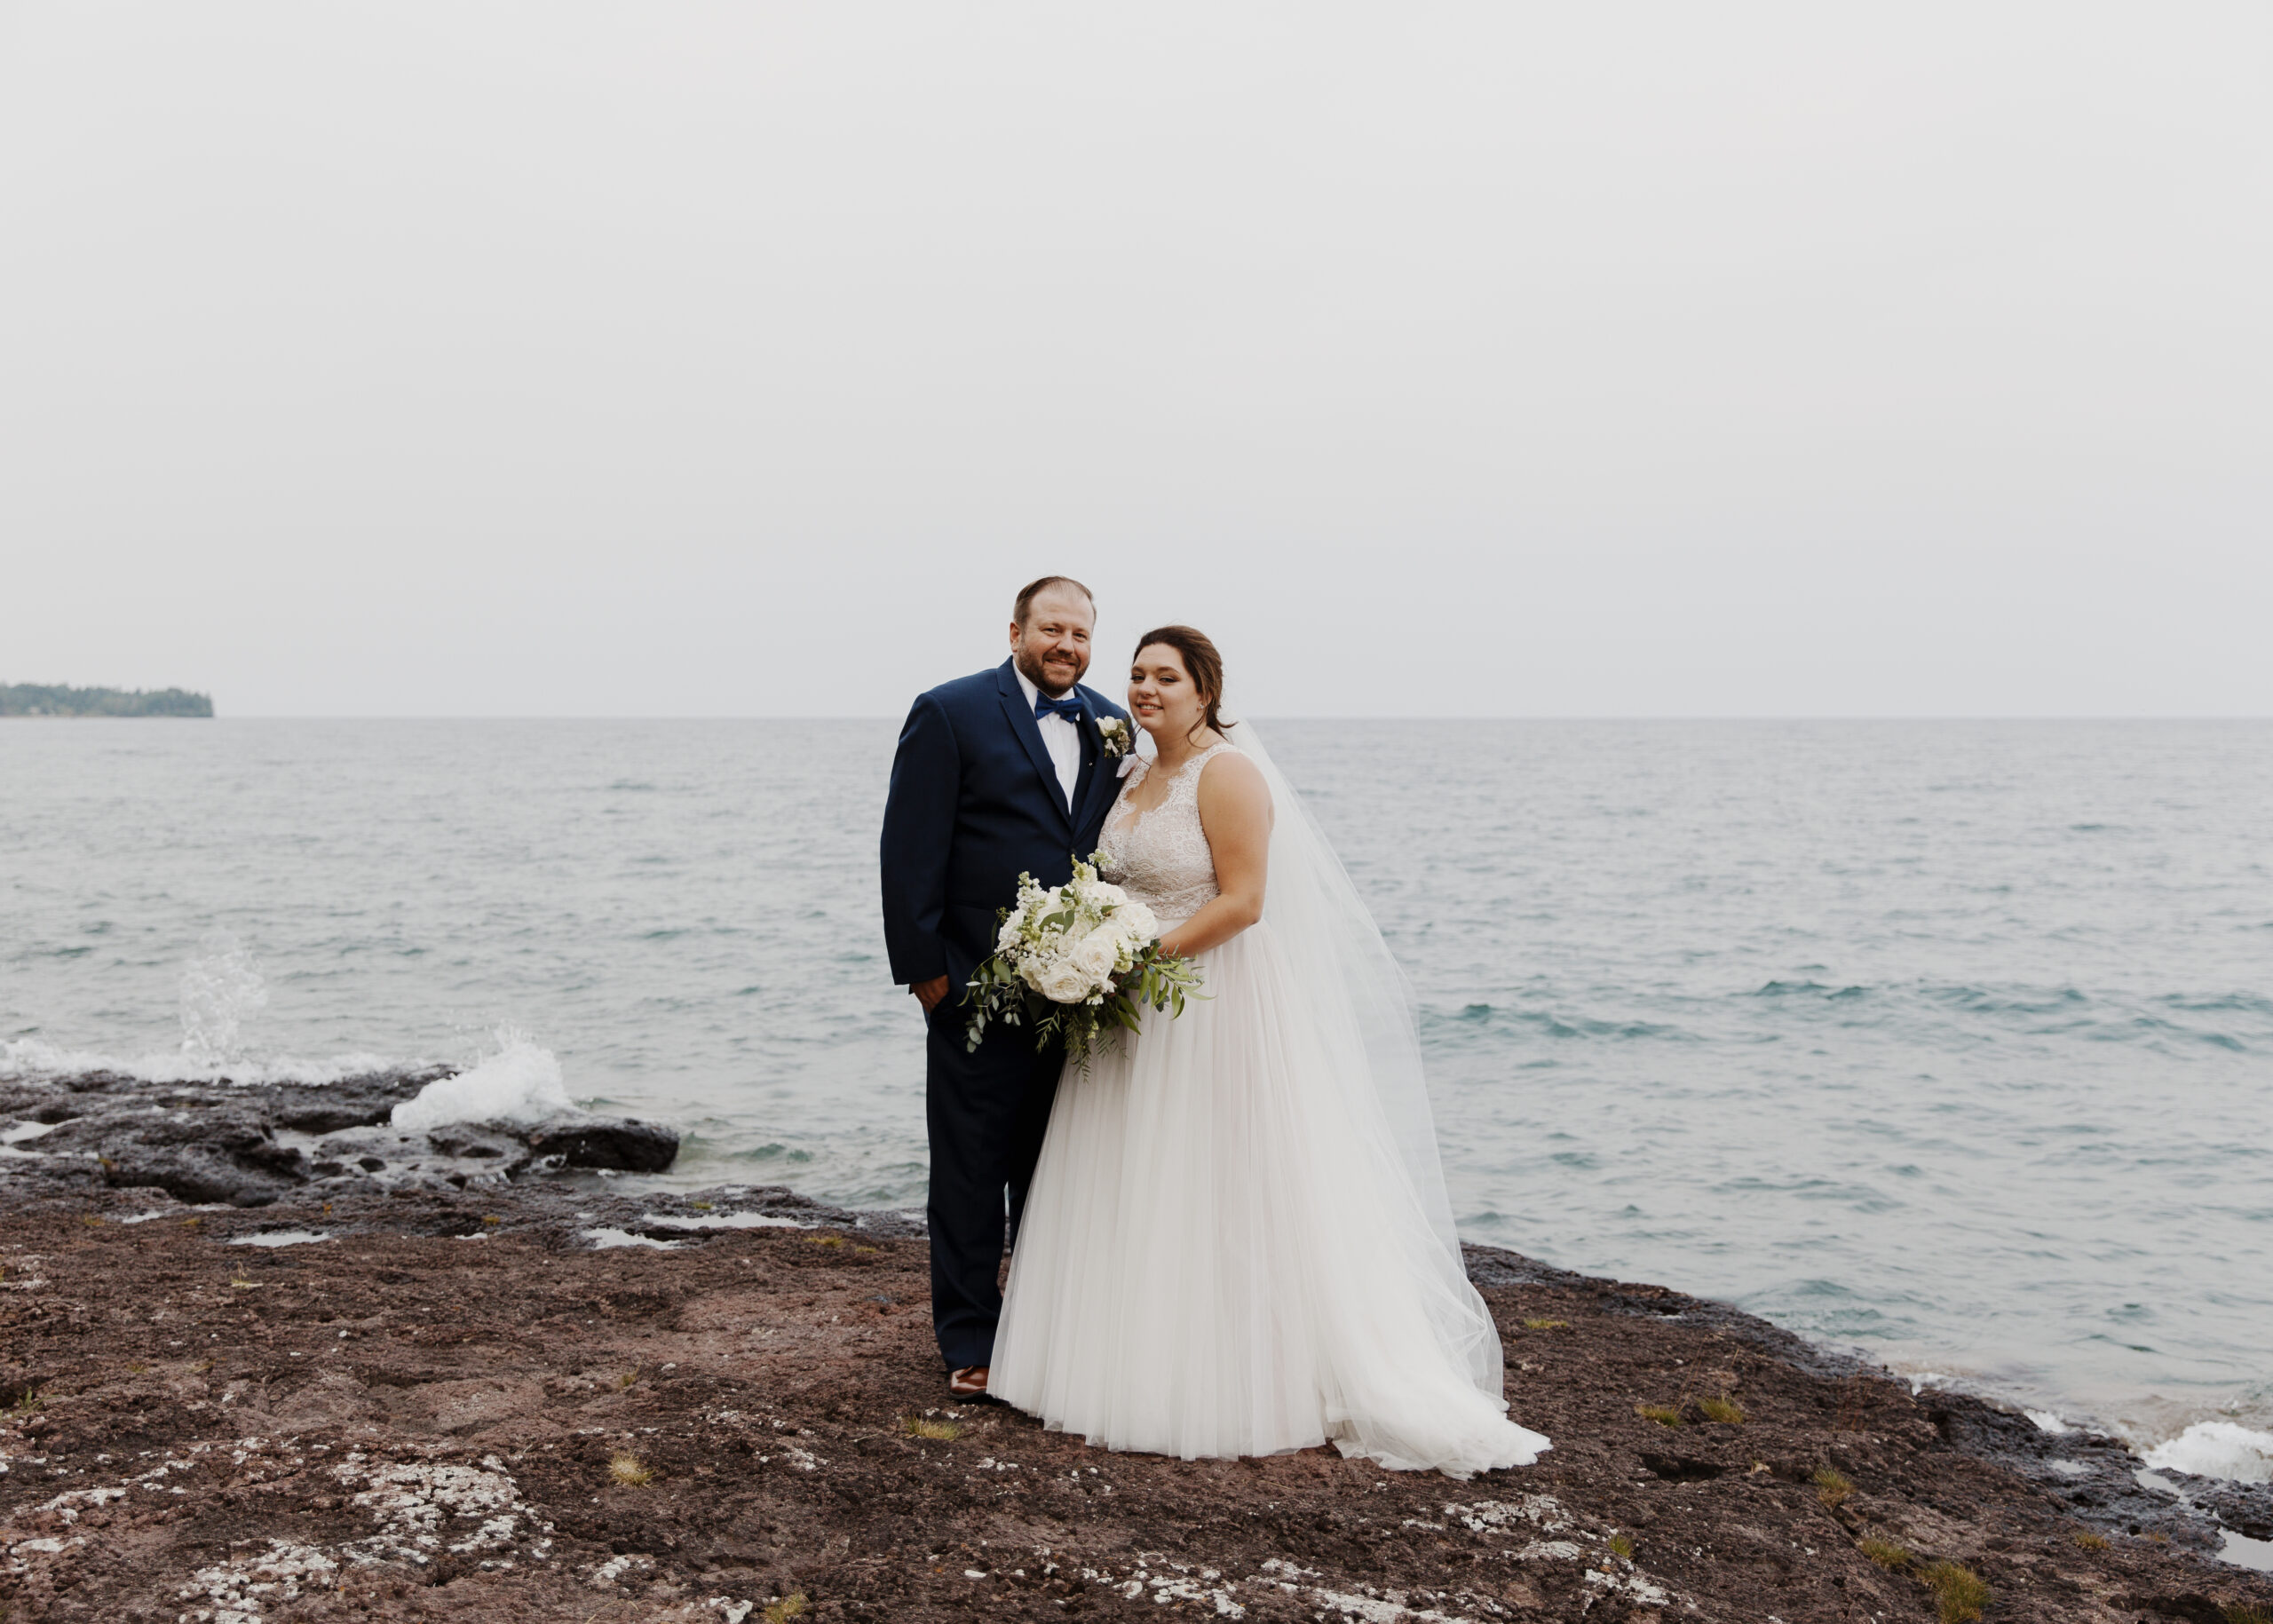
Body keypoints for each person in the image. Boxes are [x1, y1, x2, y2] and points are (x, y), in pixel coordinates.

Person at [988, 625, 1551, 1477]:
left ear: (1205, 690)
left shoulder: (1229, 773)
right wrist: (1081, 943)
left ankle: (1231, 1377)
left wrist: (1138, 956)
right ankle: (1117, 1361)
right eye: (1137, 674)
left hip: (1209, 1001)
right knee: (1134, 1177)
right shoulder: (1138, 770)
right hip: (1130, 1011)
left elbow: (1246, 900)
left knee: (1217, 1182)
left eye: (1165, 677)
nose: (1144, 689)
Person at [879, 576, 1132, 1399]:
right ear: (1017, 629)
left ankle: (1043, 1326)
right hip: (973, 992)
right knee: (968, 1170)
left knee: (1055, 1168)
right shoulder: (948, 711)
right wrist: (929, 978)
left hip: (1077, 997)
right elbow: (909, 849)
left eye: (1082, 635)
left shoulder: (1109, 724)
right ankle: (969, 1338)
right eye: (1052, 629)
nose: (1067, 646)